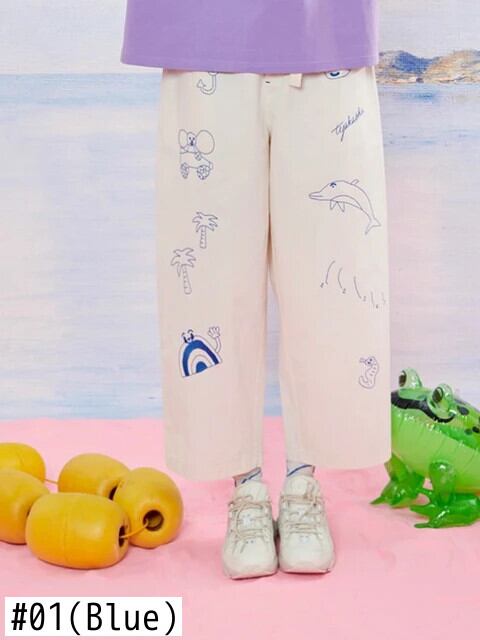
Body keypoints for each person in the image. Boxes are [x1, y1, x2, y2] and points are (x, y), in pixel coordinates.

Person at [121, 0, 391, 579]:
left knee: (334, 273)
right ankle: (243, 484)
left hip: (324, 34)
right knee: (208, 280)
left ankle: (302, 478)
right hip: (204, 31)